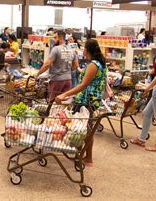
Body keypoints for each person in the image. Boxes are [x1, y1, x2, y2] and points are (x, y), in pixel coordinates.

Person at [55, 39, 107, 167]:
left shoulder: (93, 65)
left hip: (87, 101)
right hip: (90, 99)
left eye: (84, 48)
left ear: (88, 50)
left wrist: (64, 94)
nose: (82, 50)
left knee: (85, 129)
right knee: (84, 128)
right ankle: (83, 155)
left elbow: (84, 85)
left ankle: (88, 158)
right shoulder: (98, 63)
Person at [36, 30, 79, 102]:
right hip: (68, 80)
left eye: (55, 37)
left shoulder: (55, 49)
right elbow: (76, 65)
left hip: (57, 81)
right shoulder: (72, 50)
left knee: (53, 102)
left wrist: (37, 74)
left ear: (60, 38)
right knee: (64, 102)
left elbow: (47, 64)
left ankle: (52, 113)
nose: (53, 39)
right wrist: (67, 71)